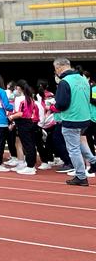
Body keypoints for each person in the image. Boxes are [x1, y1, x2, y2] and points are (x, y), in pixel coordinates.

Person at [52, 58, 96, 186]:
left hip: (71, 119)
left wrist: (54, 106)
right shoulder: (83, 79)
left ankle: (81, 176)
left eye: (55, 69)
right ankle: (93, 161)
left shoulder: (65, 82)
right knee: (79, 144)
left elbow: (62, 104)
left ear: (59, 68)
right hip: (85, 118)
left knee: (73, 149)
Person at [7, 80, 39, 176]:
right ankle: (31, 165)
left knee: (27, 145)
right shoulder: (30, 98)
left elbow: (20, 113)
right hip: (30, 122)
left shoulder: (20, 99)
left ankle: (30, 167)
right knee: (30, 145)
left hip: (23, 123)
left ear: (19, 88)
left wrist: (11, 117)